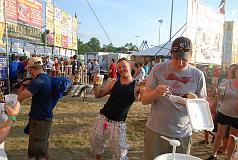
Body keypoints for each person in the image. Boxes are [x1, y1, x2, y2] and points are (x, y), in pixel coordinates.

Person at [141, 37, 207, 160]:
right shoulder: (158, 69)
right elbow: (144, 100)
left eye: (184, 59)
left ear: (191, 56)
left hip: (183, 134)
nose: (179, 63)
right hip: (157, 132)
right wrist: (156, 92)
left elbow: (202, 107)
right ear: (170, 54)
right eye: (176, 58)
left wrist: (194, 100)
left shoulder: (198, 75)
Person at [90, 58, 141, 160]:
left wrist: (144, 88)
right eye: (119, 68)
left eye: (124, 66)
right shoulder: (113, 82)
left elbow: (142, 99)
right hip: (103, 118)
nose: (121, 69)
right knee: (96, 145)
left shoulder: (136, 85)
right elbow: (98, 94)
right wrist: (95, 84)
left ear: (130, 67)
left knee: (119, 153)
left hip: (118, 124)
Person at [17, 57, 53, 160]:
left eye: (29, 69)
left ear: (32, 68)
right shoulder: (47, 77)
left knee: (38, 151)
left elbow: (20, 96)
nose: (29, 71)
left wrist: (24, 84)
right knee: (42, 146)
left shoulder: (38, 81)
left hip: (40, 119)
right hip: (45, 117)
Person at [207, 65, 238, 160]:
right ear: (236, 73)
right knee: (219, 135)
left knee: (233, 138)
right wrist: (218, 96)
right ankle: (213, 155)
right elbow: (221, 99)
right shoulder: (226, 83)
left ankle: (229, 158)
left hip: (236, 116)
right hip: (224, 112)